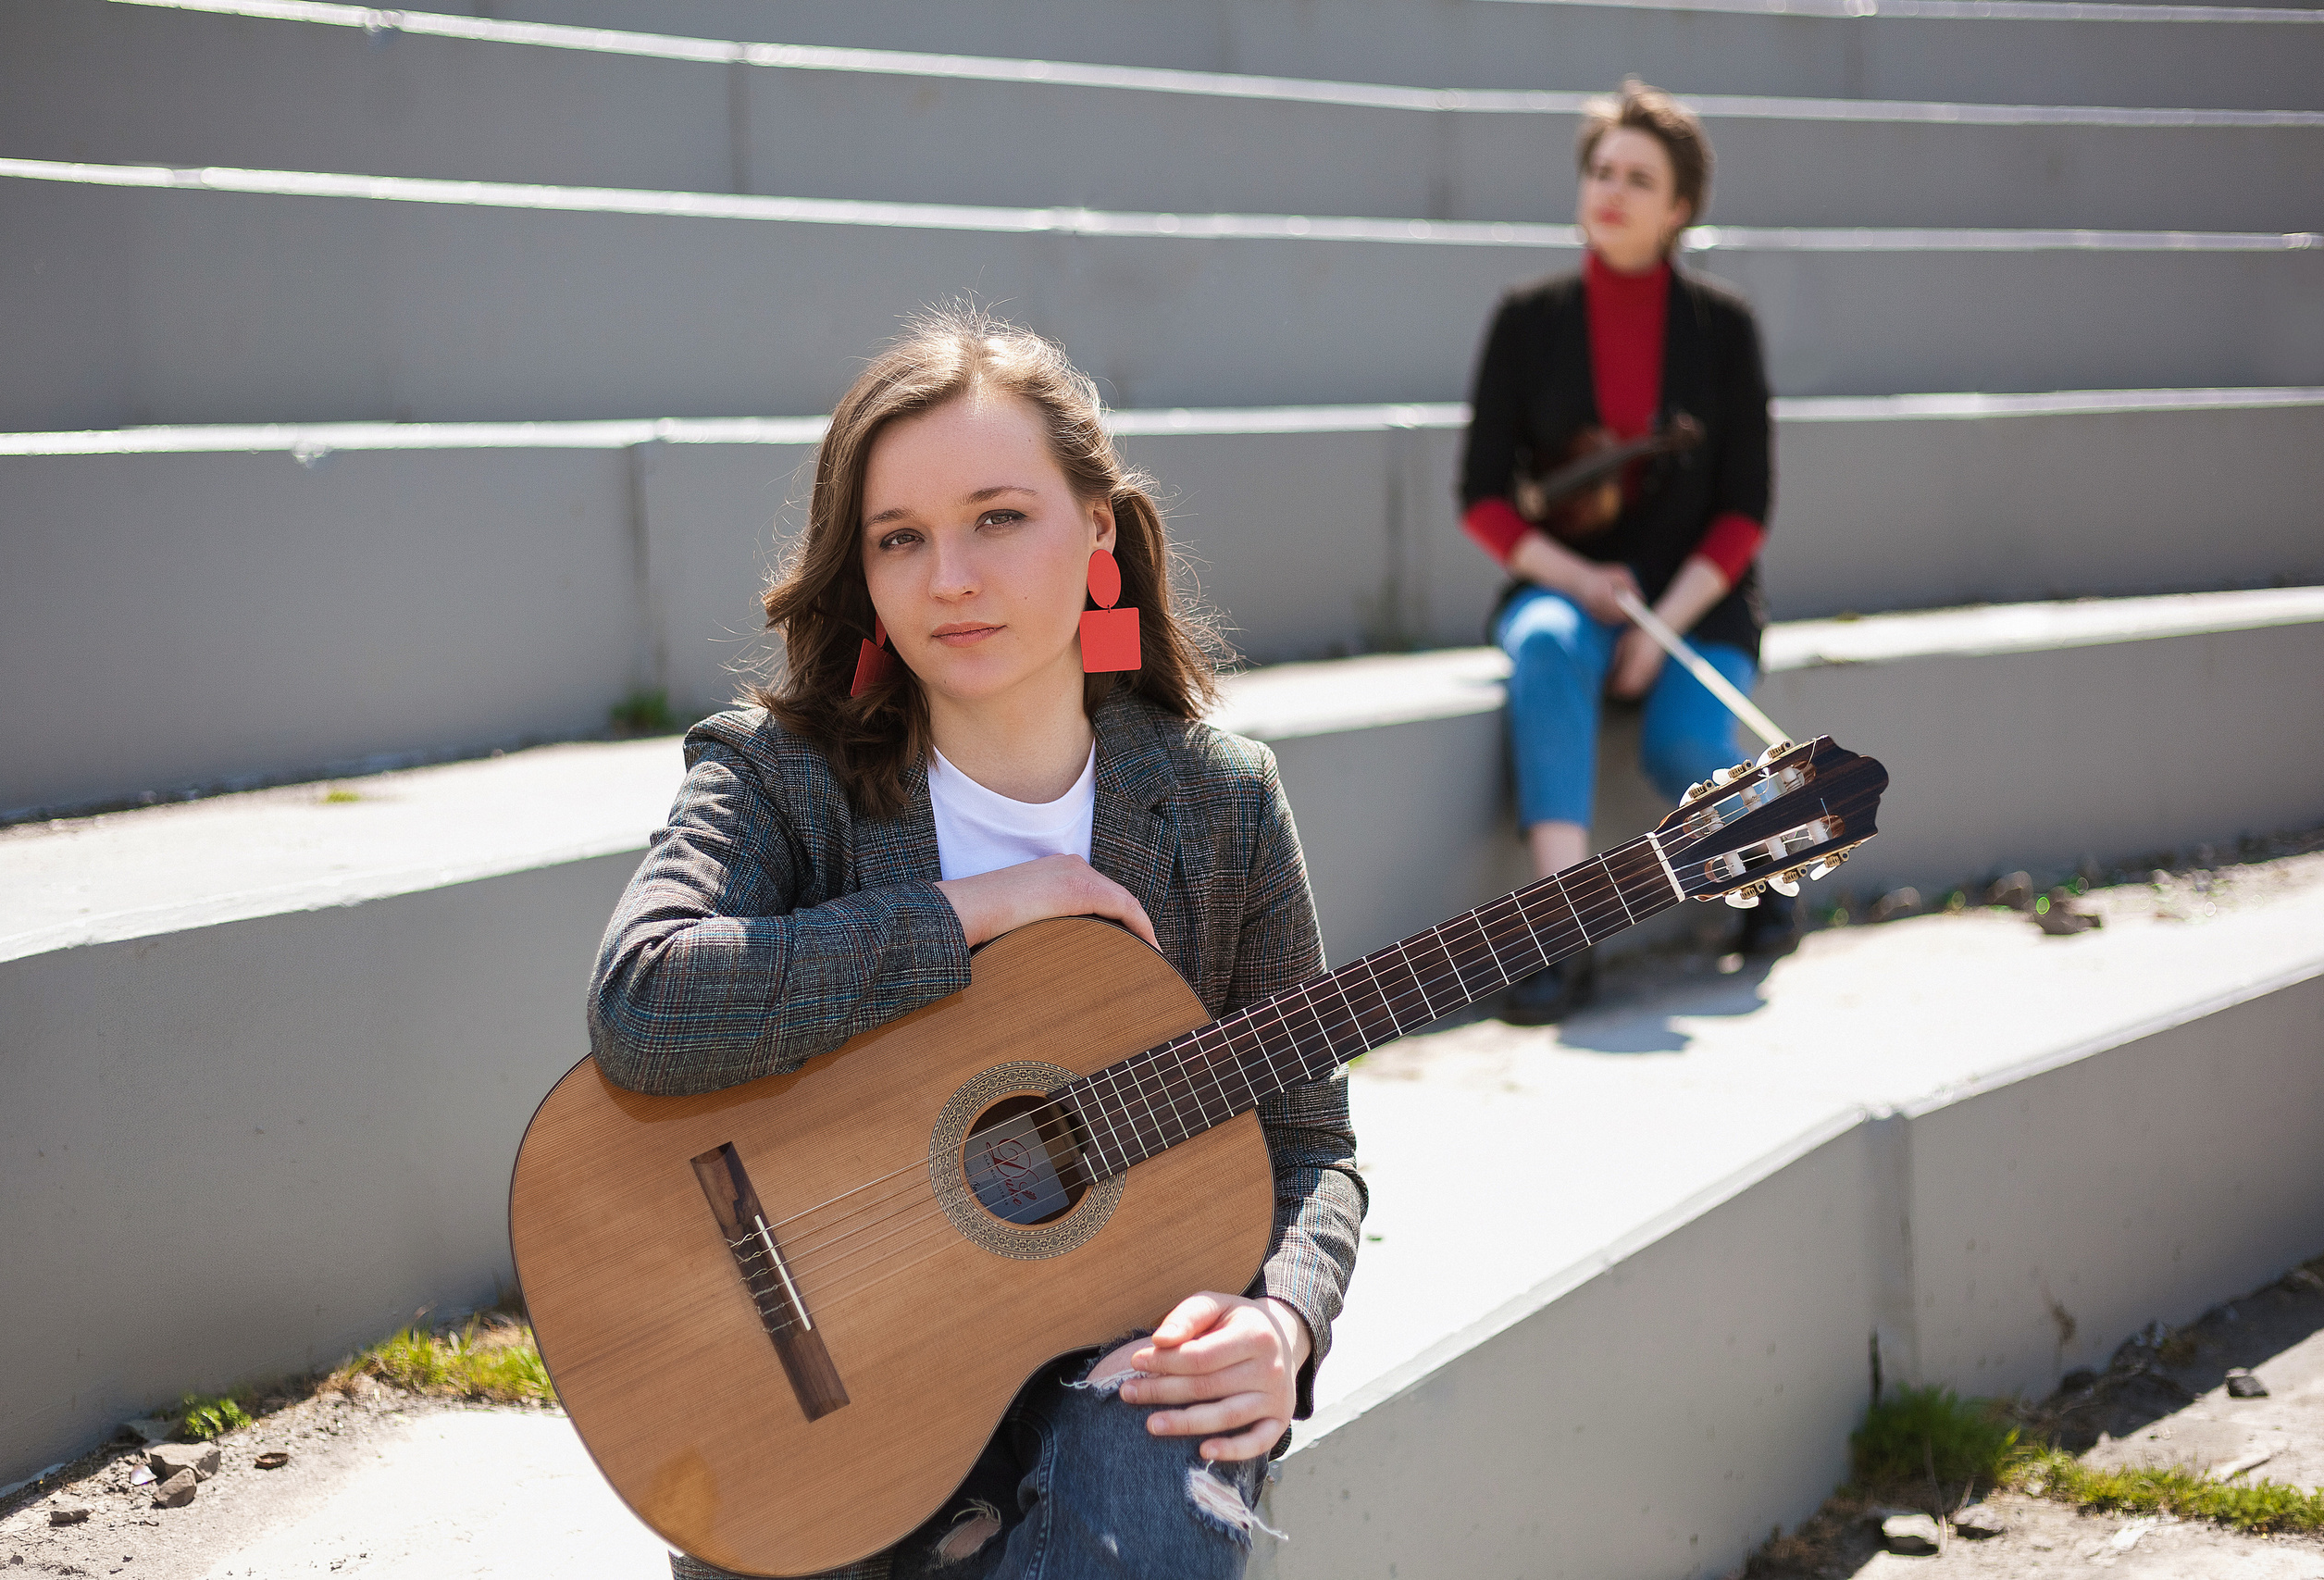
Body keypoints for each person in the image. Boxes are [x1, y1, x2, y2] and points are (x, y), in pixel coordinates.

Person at [586, 308, 1366, 1580]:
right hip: (819, 1376)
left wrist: (1284, 1317)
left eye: (998, 517)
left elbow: (1307, 1139)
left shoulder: (1219, 800)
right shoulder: (780, 775)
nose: (950, 576)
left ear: (1098, 530)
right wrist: (973, 911)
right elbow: (642, 998)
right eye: (901, 538)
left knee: (1167, 1462)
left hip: (1112, 1338)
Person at [1458, 79, 1794, 1025]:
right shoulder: (1526, 319)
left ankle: (1772, 873)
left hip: (1695, 597)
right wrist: (1580, 581)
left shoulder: (1723, 331)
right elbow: (1482, 501)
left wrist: (1663, 626)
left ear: (1678, 207)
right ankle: (1562, 932)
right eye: (1600, 171)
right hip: (1567, 584)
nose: (1610, 190)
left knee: (1687, 741)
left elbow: (1743, 510)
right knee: (1547, 645)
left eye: (1637, 178)